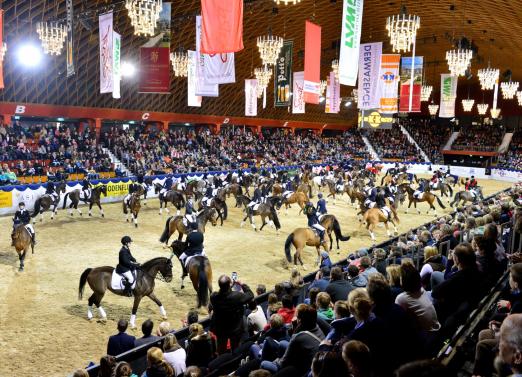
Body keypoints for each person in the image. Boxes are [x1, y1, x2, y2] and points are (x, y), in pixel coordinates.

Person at [260, 304, 324, 375]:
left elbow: (282, 364)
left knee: (263, 363)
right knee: (282, 343)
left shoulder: (298, 337)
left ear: (299, 320)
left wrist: (276, 361)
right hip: (309, 360)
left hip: (303, 369)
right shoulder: (316, 326)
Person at [209, 275, 254, 354]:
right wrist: (242, 284)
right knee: (235, 349)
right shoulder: (237, 296)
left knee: (221, 349)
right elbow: (250, 295)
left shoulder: (213, 297)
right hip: (235, 328)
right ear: (230, 284)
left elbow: (221, 295)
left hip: (221, 328)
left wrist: (229, 287)